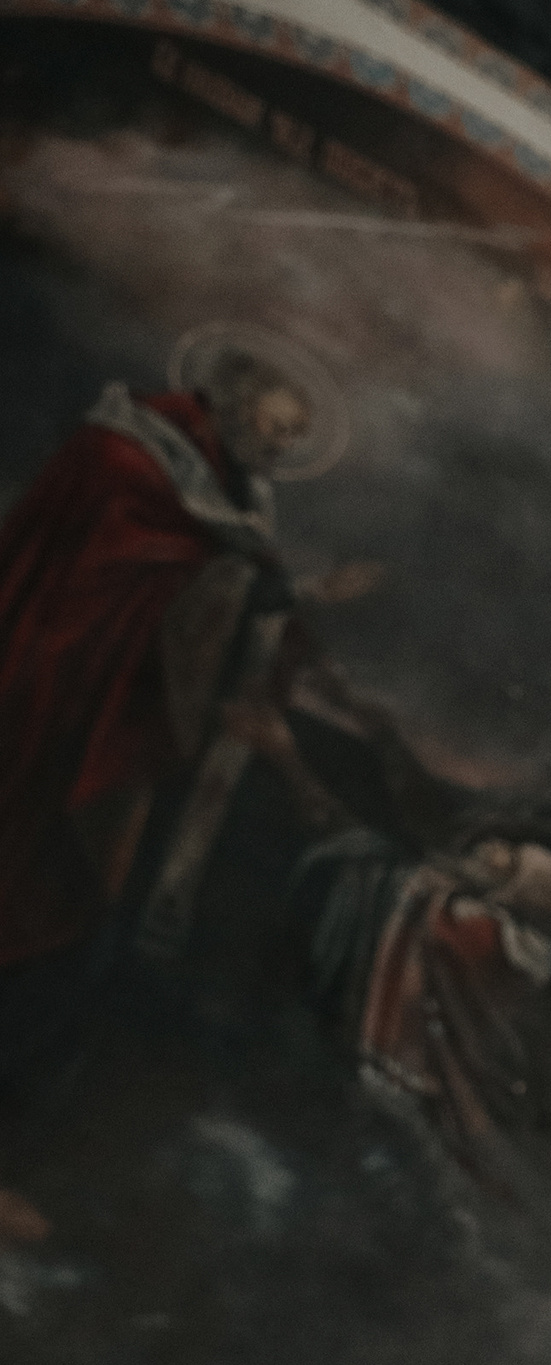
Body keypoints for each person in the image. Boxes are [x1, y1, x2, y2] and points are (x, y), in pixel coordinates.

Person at [0, 350, 314, 976]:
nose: (281, 447)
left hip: (130, 678)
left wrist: (272, 599)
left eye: (293, 437)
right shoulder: (127, 448)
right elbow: (111, 556)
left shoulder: (239, 488)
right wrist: (250, 583)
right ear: (234, 408)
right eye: (275, 427)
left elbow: (224, 564)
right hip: (60, 655)